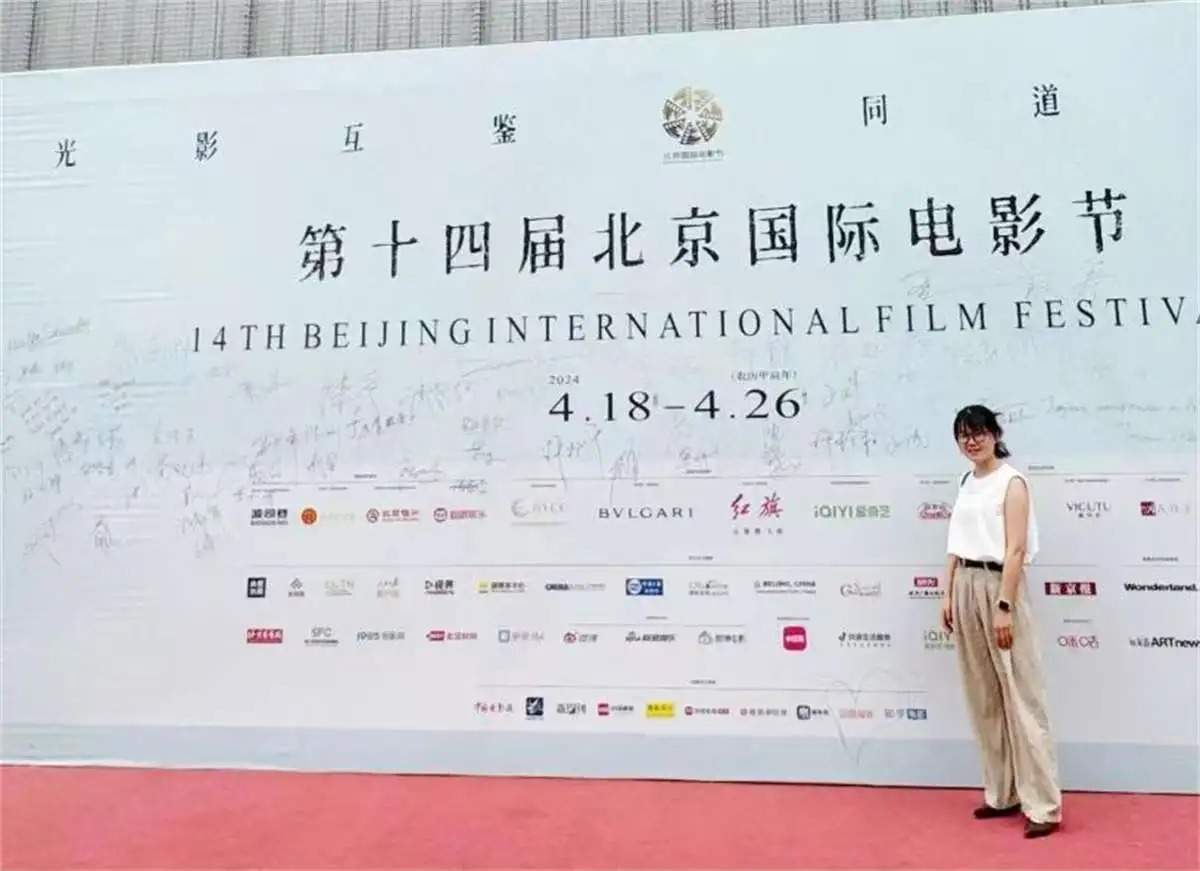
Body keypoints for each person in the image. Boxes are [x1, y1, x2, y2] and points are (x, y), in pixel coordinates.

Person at [941, 404, 1062, 838]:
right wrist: (947, 591)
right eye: (963, 435)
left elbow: (1015, 549)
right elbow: (956, 543)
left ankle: (1043, 806)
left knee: (1022, 698)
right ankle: (1002, 793)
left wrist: (1005, 605)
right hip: (965, 583)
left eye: (979, 432)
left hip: (999, 585)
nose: (971, 441)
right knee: (984, 696)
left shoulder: (1012, 483)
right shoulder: (966, 481)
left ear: (995, 434)